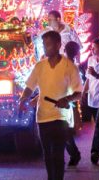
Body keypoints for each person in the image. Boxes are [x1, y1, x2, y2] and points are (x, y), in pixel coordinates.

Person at [19, 31, 82, 180]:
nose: (45, 48)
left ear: (58, 45)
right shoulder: (40, 66)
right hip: (42, 117)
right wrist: (23, 99)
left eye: (48, 45)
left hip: (61, 117)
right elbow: (30, 86)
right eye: (43, 45)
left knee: (58, 154)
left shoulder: (69, 66)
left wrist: (66, 99)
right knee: (47, 155)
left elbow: (79, 92)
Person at [64, 41, 82, 166]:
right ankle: (74, 154)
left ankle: (74, 154)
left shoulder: (66, 65)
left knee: (65, 131)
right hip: (69, 100)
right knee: (66, 131)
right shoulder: (73, 65)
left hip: (67, 101)